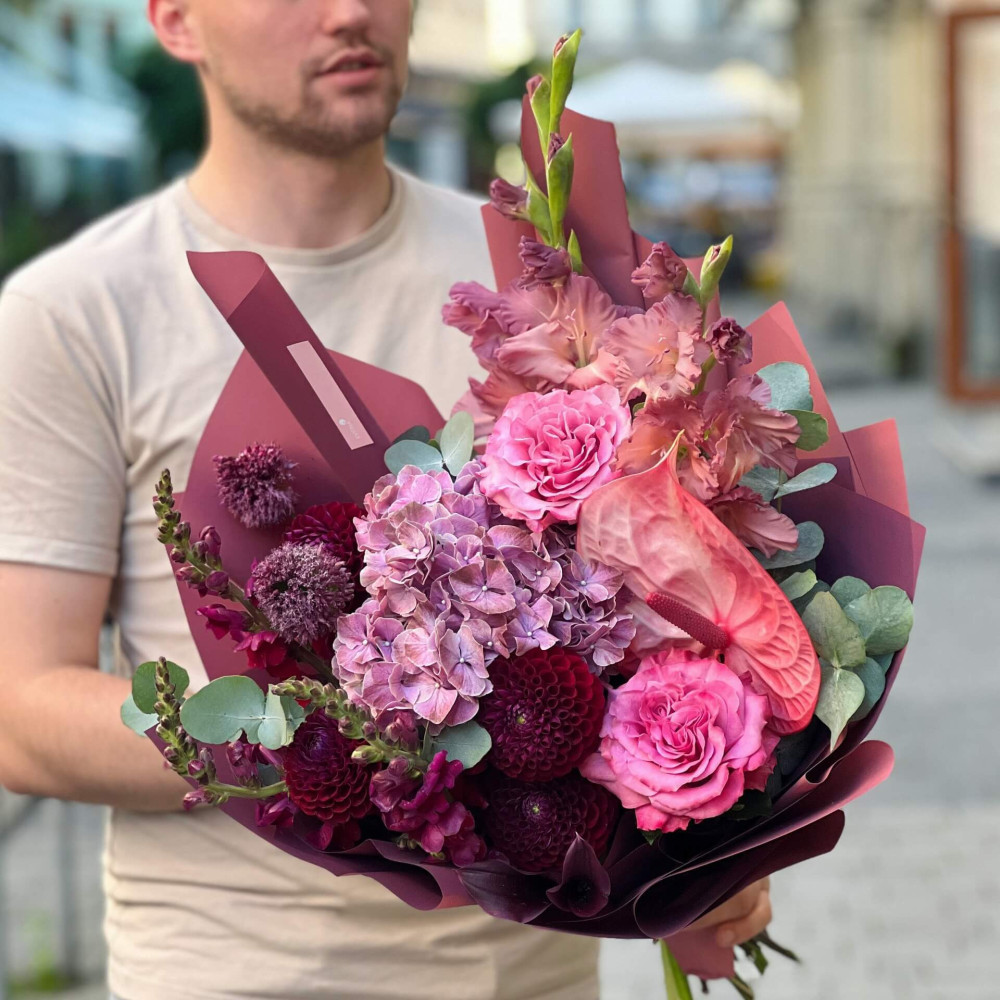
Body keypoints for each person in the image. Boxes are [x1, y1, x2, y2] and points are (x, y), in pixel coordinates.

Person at [0, 2, 772, 998]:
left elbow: (664, 612)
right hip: (231, 975)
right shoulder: (75, 312)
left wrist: (699, 847)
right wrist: (332, 741)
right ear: (178, 20)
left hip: (527, 981)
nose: (352, 11)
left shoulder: (535, 278)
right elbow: (22, 709)